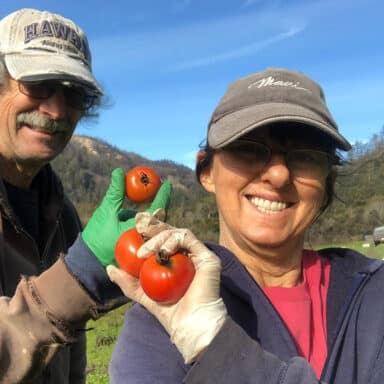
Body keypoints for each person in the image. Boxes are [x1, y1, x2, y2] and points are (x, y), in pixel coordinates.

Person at [103, 68, 384, 383]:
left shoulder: (374, 294)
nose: (278, 176)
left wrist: (216, 350)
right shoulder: (165, 316)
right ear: (206, 171)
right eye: (249, 149)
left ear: (326, 181)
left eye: (305, 156)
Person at [0, 8, 172, 384]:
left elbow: (71, 354)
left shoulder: (61, 215)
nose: (56, 109)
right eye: (38, 83)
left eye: (73, 94)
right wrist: (78, 278)